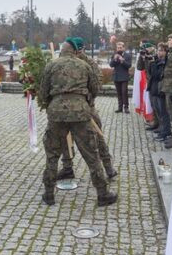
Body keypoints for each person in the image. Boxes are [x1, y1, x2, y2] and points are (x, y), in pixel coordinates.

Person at [38, 38, 117, 207]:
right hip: (80, 113)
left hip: (57, 114)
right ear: (75, 51)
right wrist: (85, 101)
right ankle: (102, 194)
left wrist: (51, 104)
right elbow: (95, 88)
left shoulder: (51, 65)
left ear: (62, 50)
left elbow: (43, 91)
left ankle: (49, 194)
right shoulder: (84, 65)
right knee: (91, 154)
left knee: (52, 154)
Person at [57, 47, 119, 183]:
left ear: (81, 50)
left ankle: (108, 168)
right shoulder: (62, 60)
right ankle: (67, 167)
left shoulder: (89, 64)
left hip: (86, 108)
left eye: (78, 50)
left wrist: (87, 99)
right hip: (65, 108)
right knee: (64, 138)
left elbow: (97, 83)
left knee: (97, 137)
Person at [148, 43, 170, 140]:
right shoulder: (157, 61)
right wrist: (151, 62)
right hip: (154, 88)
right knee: (157, 110)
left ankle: (166, 131)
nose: (159, 52)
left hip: (160, 89)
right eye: (158, 50)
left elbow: (157, 75)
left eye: (161, 50)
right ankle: (162, 128)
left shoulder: (165, 62)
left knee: (163, 112)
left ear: (166, 52)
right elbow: (150, 73)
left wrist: (153, 63)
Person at [108, 42, 132, 112]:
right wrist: (115, 59)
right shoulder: (114, 55)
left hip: (124, 77)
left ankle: (126, 107)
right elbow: (111, 65)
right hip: (116, 77)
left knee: (124, 92)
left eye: (120, 47)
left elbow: (129, 66)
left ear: (123, 48)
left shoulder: (128, 56)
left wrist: (122, 60)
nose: (119, 49)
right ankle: (120, 107)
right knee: (119, 93)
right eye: (118, 48)